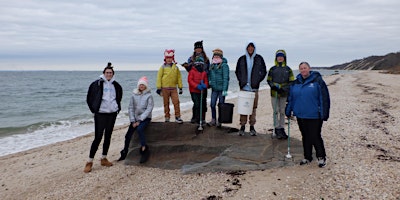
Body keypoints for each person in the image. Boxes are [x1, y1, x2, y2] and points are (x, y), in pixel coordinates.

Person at [285, 61, 330, 168]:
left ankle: (321, 157)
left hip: (314, 114)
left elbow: (324, 98)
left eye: (305, 68)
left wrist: (324, 113)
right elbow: (291, 98)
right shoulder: (295, 83)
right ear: (299, 70)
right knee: (305, 136)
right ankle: (307, 156)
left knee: (315, 136)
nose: (303, 70)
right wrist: (288, 110)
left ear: (309, 68)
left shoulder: (317, 81)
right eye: (301, 68)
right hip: (300, 114)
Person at [84, 62, 123, 173]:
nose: (108, 74)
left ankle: (104, 158)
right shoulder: (96, 84)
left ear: (113, 74)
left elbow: (119, 97)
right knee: (98, 137)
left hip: (112, 114)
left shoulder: (116, 85)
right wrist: (94, 110)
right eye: (107, 72)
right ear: (103, 73)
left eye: (110, 73)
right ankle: (89, 161)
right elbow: (89, 98)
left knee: (108, 136)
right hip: (100, 114)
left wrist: (117, 108)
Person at [117, 76, 154, 163]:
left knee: (140, 129)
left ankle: (144, 149)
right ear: (138, 86)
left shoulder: (149, 96)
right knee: (128, 136)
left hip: (145, 118)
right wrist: (133, 120)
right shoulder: (134, 95)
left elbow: (149, 109)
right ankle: (125, 152)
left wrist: (140, 120)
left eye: (143, 85)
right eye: (140, 85)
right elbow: (131, 108)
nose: (141, 86)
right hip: (135, 119)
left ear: (146, 86)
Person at [235, 41, 267, 136]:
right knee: (243, 108)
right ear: (246, 48)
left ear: (254, 48)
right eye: (248, 47)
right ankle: (242, 126)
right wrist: (241, 81)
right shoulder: (241, 59)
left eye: (252, 47)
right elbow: (237, 71)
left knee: (253, 108)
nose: (250, 48)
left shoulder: (259, 58)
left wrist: (257, 80)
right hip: (244, 88)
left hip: (254, 88)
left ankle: (252, 127)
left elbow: (263, 71)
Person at [267, 50, 295, 139]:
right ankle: (276, 128)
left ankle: (282, 128)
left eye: (281, 56)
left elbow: (291, 81)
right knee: (275, 111)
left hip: (284, 93)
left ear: (284, 58)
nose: (280, 58)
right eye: (278, 56)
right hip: (274, 93)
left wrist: (284, 88)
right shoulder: (272, 69)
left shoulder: (288, 69)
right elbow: (269, 80)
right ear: (276, 58)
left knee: (282, 111)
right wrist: (273, 86)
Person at [183, 40, 210, 123]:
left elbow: (208, 70)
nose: (198, 50)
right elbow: (190, 71)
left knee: (203, 102)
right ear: (194, 49)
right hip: (194, 85)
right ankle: (195, 117)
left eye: (200, 48)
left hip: (203, 82)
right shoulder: (191, 59)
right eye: (197, 48)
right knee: (196, 103)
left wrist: (206, 83)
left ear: (202, 49)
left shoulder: (206, 59)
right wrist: (186, 67)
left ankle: (202, 118)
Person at [156, 49, 184, 123]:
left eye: (170, 58)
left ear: (172, 58)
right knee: (166, 103)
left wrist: (180, 87)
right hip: (164, 88)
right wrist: (159, 88)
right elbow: (159, 77)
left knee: (176, 102)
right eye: (167, 58)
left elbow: (179, 77)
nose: (169, 59)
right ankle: (167, 117)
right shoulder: (162, 67)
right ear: (165, 59)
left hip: (173, 88)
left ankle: (177, 117)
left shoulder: (176, 68)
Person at [207, 48, 229, 126]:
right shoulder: (212, 65)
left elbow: (226, 78)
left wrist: (225, 89)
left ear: (221, 56)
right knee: (212, 104)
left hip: (221, 89)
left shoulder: (224, 65)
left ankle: (220, 121)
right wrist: (209, 82)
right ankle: (213, 119)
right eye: (214, 55)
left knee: (221, 105)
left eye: (217, 55)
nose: (216, 57)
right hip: (214, 89)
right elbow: (209, 75)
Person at [188, 56, 209, 125]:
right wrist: (197, 86)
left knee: (202, 104)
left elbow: (206, 80)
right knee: (196, 104)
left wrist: (205, 85)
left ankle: (201, 119)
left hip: (201, 91)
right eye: (198, 63)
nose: (199, 65)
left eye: (201, 63)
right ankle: (195, 118)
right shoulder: (192, 71)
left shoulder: (204, 73)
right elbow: (190, 81)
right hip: (194, 91)